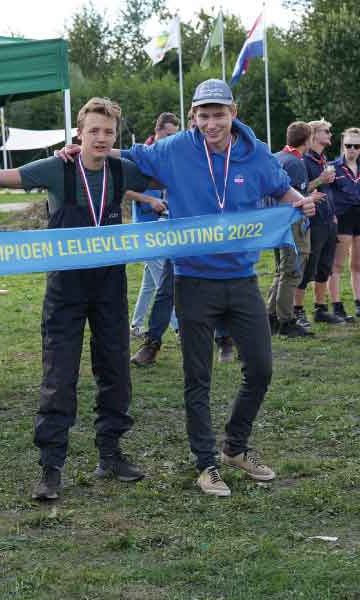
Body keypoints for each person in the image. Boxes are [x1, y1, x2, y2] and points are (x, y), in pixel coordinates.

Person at [119, 80, 317, 496]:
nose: (211, 123)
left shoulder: (255, 152)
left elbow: (280, 188)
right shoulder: (175, 149)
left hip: (242, 279)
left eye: (219, 114)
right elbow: (127, 157)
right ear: (193, 116)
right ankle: (205, 463)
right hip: (193, 279)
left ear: (234, 113)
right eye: (204, 115)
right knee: (199, 377)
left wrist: (299, 201)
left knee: (260, 368)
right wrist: (80, 151)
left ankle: (235, 447)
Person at [0, 97, 151, 501]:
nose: (101, 138)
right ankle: (50, 468)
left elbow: (171, 171)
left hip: (109, 285)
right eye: (94, 131)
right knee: (59, 377)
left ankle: (111, 454)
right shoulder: (57, 168)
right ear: (79, 134)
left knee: (116, 372)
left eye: (108, 132)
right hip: (66, 289)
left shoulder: (123, 170)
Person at [128, 113, 180, 339]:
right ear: (157, 131)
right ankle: (180, 328)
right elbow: (123, 189)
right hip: (144, 229)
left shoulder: (167, 156)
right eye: (168, 135)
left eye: (175, 136)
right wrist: (149, 200)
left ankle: (136, 324)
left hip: (161, 226)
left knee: (150, 281)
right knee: (164, 283)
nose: (171, 140)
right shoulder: (139, 156)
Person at [266, 122, 314, 338]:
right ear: (307, 140)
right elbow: (297, 198)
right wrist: (311, 198)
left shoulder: (277, 157)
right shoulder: (295, 162)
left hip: (275, 221)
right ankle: (286, 320)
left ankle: (271, 316)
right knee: (293, 269)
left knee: (282, 270)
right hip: (291, 222)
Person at [295, 120, 340, 326]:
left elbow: (328, 191)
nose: (330, 134)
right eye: (326, 131)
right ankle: (297, 310)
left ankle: (320, 308)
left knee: (325, 266)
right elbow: (298, 190)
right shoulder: (303, 160)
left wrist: (333, 214)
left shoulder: (323, 159)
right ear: (313, 135)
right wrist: (320, 180)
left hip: (328, 220)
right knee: (307, 268)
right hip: (312, 221)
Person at [326, 127, 360, 323]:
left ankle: (358, 301)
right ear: (342, 146)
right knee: (337, 264)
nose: (352, 149)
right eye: (348, 145)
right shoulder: (332, 167)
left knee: (357, 264)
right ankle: (337, 306)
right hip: (342, 218)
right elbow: (324, 192)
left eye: (356, 146)